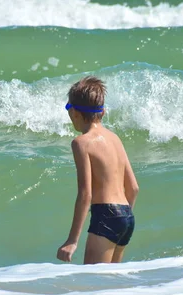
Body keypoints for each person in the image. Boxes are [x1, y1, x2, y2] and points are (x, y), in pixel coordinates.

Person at [56, 76, 139, 264]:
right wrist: (122, 218)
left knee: (94, 285)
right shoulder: (115, 139)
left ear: (75, 113)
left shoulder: (81, 143)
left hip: (105, 215)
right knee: (110, 285)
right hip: (126, 216)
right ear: (102, 112)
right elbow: (133, 188)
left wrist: (72, 241)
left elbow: (85, 194)